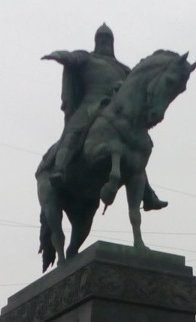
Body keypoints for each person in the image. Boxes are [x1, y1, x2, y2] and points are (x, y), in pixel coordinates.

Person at [43, 24, 167, 209]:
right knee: (73, 130)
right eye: (101, 39)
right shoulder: (88, 58)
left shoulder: (124, 69)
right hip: (90, 104)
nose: (104, 42)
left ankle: (147, 194)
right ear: (96, 41)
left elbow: (136, 86)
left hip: (117, 109)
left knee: (137, 146)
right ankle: (59, 168)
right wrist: (60, 55)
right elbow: (72, 57)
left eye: (107, 39)